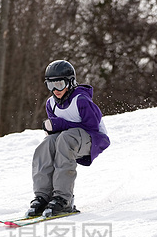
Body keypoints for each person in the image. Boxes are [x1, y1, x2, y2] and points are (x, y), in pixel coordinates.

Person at [26, 59, 110, 217]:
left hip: (94, 139)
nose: (55, 90)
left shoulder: (81, 100)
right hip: (71, 139)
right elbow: (56, 133)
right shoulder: (51, 103)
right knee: (46, 144)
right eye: (50, 85)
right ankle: (43, 196)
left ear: (70, 82)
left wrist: (59, 124)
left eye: (59, 84)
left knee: (66, 139)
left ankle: (64, 199)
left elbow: (92, 126)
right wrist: (54, 129)